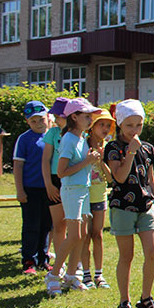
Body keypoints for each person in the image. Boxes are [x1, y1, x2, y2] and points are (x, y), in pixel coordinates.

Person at [105, 99, 154, 308]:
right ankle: (124, 301)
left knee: (153, 252)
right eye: (129, 125)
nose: (134, 130)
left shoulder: (148, 148)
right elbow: (119, 177)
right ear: (120, 123)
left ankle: (146, 298)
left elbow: (150, 179)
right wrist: (130, 152)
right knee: (127, 255)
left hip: (146, 205)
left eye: (138, 125)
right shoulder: (113, 148)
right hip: (122, 206)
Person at [44, 98, 102, 297]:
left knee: (82, 235)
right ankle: (53, 275)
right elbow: (61, 172)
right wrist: (87, 160)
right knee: (75, 235)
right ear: (74, 117)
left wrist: (91, 158)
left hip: (82, 190)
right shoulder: (69, 139)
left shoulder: (81, 137)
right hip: (71, 192)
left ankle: (71, 275)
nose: (90, 120)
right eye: (86, 116)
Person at [13, 101, 52, 275]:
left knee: (46, 225)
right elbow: (18, 166)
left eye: (41, 119)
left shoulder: (53, 136)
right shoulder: (24, 139)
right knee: (32, 225)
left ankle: (43, 258)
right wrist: (20, 190)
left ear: (47, 118)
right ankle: (29, 260)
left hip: (50, 189)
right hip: (31, 189)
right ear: (28, 122)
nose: (38, 123)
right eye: (33, 121)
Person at [80, 109, 115, 289]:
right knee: (84, 235)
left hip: (99, 195)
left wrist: (101, 161)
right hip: (83, 196)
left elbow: (110, 178)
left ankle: (99, 275)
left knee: (98, 235)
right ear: (92, 126)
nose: (105, 128)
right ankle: (86, 274)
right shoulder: (82, 144)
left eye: (108, 125)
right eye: (101, 124)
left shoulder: (108, 147)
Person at [42, 97, 71, 272]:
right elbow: (45, 160)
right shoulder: (52, 134)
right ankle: (60, 262)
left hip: (72, 179)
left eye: (62, 116)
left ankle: (75, 262)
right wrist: (48, 184)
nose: (59, 119)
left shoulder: (78, 135)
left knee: (74, 223)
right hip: (54, 180)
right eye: (58, 116)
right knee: (59, 224)